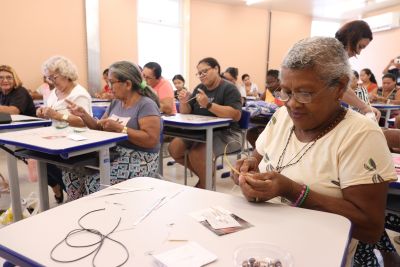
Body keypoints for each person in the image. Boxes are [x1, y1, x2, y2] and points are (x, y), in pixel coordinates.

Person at [232, 37, 397, 266]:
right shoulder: (282, 118)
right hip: (267, 245)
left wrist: (292, 190)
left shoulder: (361, 135)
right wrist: (248, 170)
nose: (292, 103)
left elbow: (370, 227)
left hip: (320, 255)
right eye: (286, 92)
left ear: (339, 88)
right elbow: (257, 160)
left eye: (304, 93)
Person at [65, 61, 161, 200]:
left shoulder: (146, 104)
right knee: (71, 173)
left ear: (127, 84)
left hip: (141, 158)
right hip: (113, 153)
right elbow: (99, 127)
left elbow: (151, 140)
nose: (109, 87)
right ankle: (78, 209)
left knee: (95, 183)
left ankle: (98, 215)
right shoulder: (116, 102)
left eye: (111, 82)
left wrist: (120, 128)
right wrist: (84, 115)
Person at [168, 57, 242, 189]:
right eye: (199, 73)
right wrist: (184, 101)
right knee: (174, 149)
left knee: (197, 153)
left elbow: (235, 115)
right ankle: (206, 180)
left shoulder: (229, 88)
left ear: (216, 69)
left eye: (205, 71)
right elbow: (186, 112)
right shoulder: (199, 88)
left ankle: (204, 185)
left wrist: (208, 105)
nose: (201, 75)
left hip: (227, 133)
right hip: (200, 131)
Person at [36, 55, 93, 203]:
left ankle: (73, 196)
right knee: (38, 159)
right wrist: (44, 113)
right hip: (57, 139)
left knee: (50, 164)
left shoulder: (79, 94)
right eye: (49, 78)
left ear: (66, 73)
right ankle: (68, 193)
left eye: (54, 77)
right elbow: (52, 115)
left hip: (77, 142)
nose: (51, 81)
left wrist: (57, 115)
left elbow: (84, 122)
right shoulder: (54, 93)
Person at [335, 20, 380, 119]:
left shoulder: (336, 55)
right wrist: (364, 107)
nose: (358, 53)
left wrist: (365, 107)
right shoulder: (331, 55)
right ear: (351, 38)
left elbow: (342, 87)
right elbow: (340, 88)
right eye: (360, 47)